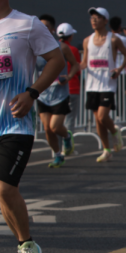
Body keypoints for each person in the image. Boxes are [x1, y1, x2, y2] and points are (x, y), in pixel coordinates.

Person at [0, 0, 65, 253]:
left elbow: (57, 58)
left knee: (4, 188)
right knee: (0, 193)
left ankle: (28, 246)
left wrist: (32, 92)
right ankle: (24, 247)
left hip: (15, 121)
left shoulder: (26, 24)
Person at [80, 7, 126, 162]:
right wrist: (71, 70)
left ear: (105, 21)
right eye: (92, 17)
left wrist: (119, 69)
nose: (94, 20)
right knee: (98, 121)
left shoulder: (114, 39)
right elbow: (84, 62)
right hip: (92, 85)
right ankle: (106, 150)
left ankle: (115, 131)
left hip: (108, 84)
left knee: (103, 116)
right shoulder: (87, 40)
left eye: (98, 17)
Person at [36, 14, 79, 167]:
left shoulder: (63, 47)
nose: (42, 29)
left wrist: (68, 77)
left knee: (55, 127)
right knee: (47, 129)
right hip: (42, 94)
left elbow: (75, 65)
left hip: (60, 94)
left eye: (46, 26)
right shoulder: (35, 48)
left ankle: (67, 136)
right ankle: (58, 155)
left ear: (53, 30)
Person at [56, 23, 81, 131]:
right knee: (69, 120)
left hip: (57, 88)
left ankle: (57, 147)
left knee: (57, 122)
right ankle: (68, 146)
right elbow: (77, 69)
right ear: (71, 36)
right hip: (72, 87)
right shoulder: (73, 50)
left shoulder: (54, 48)